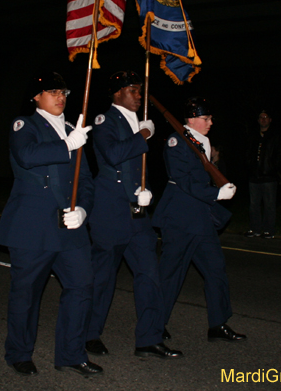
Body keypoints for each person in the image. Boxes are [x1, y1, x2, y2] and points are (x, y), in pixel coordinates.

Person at [0, 71, 101, 377]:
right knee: (26, 294)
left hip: (70, 228)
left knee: (81, 287)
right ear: (36, 97)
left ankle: (71, 353)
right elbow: (27, 156)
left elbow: (87, 181)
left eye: (64, 92)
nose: (61, 97)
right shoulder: (24, 126)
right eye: (53, 92)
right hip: (33, 227)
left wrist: (82, 208)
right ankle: (19, 352)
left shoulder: (73, 129)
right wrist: (68, 144)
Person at [86, 71, 182, 359]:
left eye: (140, 90)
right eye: (132, 89)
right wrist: (143, 134)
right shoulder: (105, 121)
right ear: (117, 93)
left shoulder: (138, 122)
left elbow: (138, 166)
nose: (139, 94)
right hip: (111, 212)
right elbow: (114, 155)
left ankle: (149, 339)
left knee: (149, 276)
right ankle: (89, 333)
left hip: (139, 215)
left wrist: (146, 190)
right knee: (103, 279)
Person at [152, 97, 246, 342]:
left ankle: (218, 324)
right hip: (181, 217)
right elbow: (183, 179)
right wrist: (216, 193)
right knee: (171, 274)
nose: (210, 123)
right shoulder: (177, 141)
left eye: (210, 118)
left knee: (216, 270)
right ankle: (154, 325)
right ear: (191, 119)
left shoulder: (198, 140)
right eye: (206, 118)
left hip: (200, 217)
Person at [245, 110, 280, 239]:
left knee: (269, 204)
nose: (263, 119)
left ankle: (268, 230)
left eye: (266, 117)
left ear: (270, 119)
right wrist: (250, 166)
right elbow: (248, 153)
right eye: (261, 117)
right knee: (254, 205)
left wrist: (272, 168)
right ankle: (255, 229)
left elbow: (279, 155)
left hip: (269, 177)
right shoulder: (253, 135)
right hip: (254, 176)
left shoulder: (274, 136)